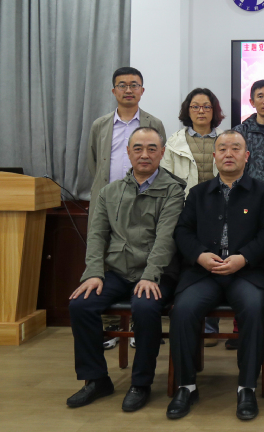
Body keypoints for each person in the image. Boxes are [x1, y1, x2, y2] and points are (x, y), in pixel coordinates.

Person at [67, 127, 185, 412]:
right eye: (138, 148)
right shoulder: (109, 192)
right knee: (81, 304)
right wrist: (93, 273)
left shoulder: (173, 191)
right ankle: (96, 380)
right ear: (128, 152)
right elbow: (97, 236)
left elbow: (166, 238)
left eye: (152, 149)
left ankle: (141, 383)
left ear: (162, 153)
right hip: (118, 271)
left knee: (145, 306)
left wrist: (150, 276)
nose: (145, 154)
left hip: (157, 274)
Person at [167, 130, 264, 420]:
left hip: (247, 273)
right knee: (183, 310)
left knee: (254, 308)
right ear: (214, 156)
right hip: (204, 272)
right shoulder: (198, 193)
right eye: (223, 148)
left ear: (246, 156)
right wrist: (200, 256)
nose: (229, 153)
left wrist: (244, 258)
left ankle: (246, 387)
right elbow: (182, 231)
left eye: (236, 148)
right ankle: (186, 386)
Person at [161, 88, 226, 348]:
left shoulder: (225, 140)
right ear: (187, 111)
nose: (201, 111)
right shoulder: (174, 143)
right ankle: (191, 323)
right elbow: (166, 179)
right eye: (195, 106)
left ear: (214, 110)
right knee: (191, 266)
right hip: (186, 212)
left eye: (206, 106)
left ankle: (210, 326)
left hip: (220, 212)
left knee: (217, 262)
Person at [87, 67, 166, 225]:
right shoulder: (100, 125)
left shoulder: (154, 124)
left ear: (142, 90)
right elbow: (93, 162)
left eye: (134, 85)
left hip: (144, 197)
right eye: (122, 85)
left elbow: (161, 160)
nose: (128, 90)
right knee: (102, 237)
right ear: (114, 91)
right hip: (107, 197)